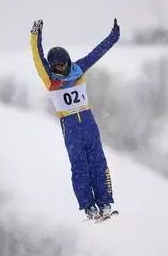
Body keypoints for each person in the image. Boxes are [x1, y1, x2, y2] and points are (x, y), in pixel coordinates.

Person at [30, 18, 120, 220]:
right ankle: (89, 207)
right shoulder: (50, 79)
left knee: (98, 162)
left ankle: (105, 203)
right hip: (70, 127)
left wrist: (114, 36)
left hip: (88, 122)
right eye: (56, 66)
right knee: (80, 167)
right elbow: (38, 58)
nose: (60, 69)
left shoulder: (79, 69)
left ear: (68, 62)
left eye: (62, 65)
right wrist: (36, 36)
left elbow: (97, 53)